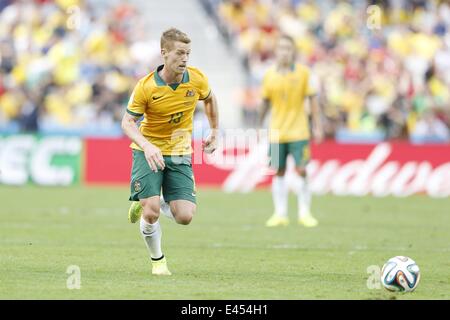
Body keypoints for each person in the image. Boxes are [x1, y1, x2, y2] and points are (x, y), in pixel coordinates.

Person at [121, 28, 219, 275]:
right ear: (164, 53)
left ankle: (149, 199)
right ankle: (158, 261)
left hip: (179, 151)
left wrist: (215, 130)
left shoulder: (196, 79)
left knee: (185, 216)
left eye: (188, 53)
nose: (185, 58)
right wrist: (146, 145)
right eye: (179, 53)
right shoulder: (146, 86)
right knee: (151, 212)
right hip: (148, 151)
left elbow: (209, 98)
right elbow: (127, 122)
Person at [259, 34, 323, 228]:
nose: (284, 52)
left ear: (293, 51)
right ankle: (280, 214)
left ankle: (305, 213)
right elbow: (265, 102)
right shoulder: (269, 74)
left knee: (302, 170)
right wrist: (259, 124)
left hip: (299, 131)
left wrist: (317, 126)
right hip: (277, 132)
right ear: (276, 51)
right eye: (281, 48)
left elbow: (313, 101)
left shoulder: (304, 73)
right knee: (278, 171)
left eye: (288, 48)